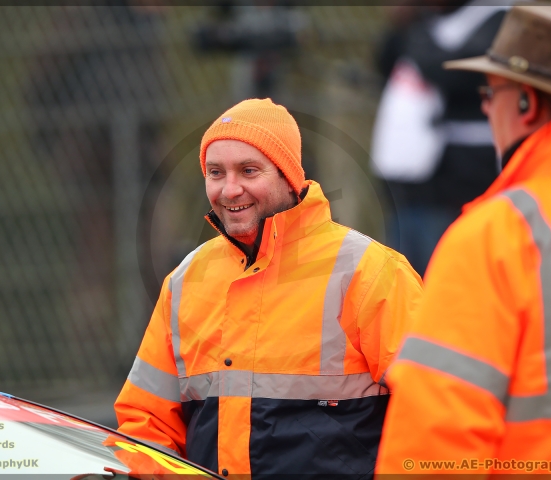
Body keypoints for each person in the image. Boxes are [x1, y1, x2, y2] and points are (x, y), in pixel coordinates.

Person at [376, 3, 551, 475]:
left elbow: (435, 443)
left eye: (491, 91)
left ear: (526, 103)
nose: (486, 105)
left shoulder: (497, 238)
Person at [115, 98, 423, 477]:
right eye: (215, 172)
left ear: (288, 175)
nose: (230, 190)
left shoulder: (372, 273)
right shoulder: (186, 279)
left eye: (248, 170)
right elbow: (146, 424)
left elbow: (430, 412)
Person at [370, 0, 510, 276]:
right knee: (400, 281)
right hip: (408, 183)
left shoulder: (500, 18)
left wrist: (414, 27)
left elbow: (454, 72)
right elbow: (386, 61)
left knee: (444, 277)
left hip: (456, 187)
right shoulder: (429, 22)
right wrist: (402, 25)